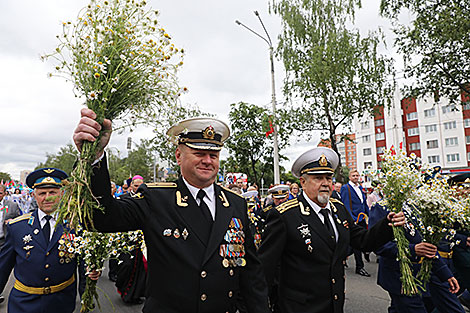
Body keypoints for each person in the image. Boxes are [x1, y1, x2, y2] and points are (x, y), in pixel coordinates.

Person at [73, 109, 270, 313]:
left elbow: (251, 274)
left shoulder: (235, 203)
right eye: (199, 153)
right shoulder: (156, 198)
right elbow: (101, 219)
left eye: (214, 154)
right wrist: (93, 158)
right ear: (178, 156)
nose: (208, 161)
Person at [257, 147, 406, 313]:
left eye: (328, 178)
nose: (326, 183)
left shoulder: (338, 209)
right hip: (298, 307)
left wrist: (387, 224)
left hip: (334, 305)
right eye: (318, 178)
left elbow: (362, 240)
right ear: (303, 182)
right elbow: (264, 268)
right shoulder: (284, 216)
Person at [0, 168, 100, 313]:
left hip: (61, 302)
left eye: (53, 192)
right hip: (24, 303)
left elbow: (83, 265)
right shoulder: (17, 227)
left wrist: (86, 295)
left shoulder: (75, 226)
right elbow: (4, 266)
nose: (47, 198)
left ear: (62, 194)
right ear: (34, 196)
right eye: (42, 193)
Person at [370, 202, 466, 313]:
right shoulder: (382, 206)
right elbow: (378, 244)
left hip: (424, 277)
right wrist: (412, 249)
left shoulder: (419, 205)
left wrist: (444, 273)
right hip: (400, 278)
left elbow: (427, 244)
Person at [340, 169, 371, 276]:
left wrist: (368, 215)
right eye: (353, 175)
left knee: (356, 243)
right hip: (354, 220)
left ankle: (342, 256)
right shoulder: (346, 188)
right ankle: (359, 267)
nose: (355, 177)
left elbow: (363, 203)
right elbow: (346, 205)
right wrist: (352, 220)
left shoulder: (360, 188)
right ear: (349, 177)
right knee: (357, 244)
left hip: (362, 218)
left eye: (357, 175)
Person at [0, 185, 21, 304]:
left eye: (0, 193)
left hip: (4, 241)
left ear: (4, 193)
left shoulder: (12, 206)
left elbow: (19, 221)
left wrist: (12, 222)